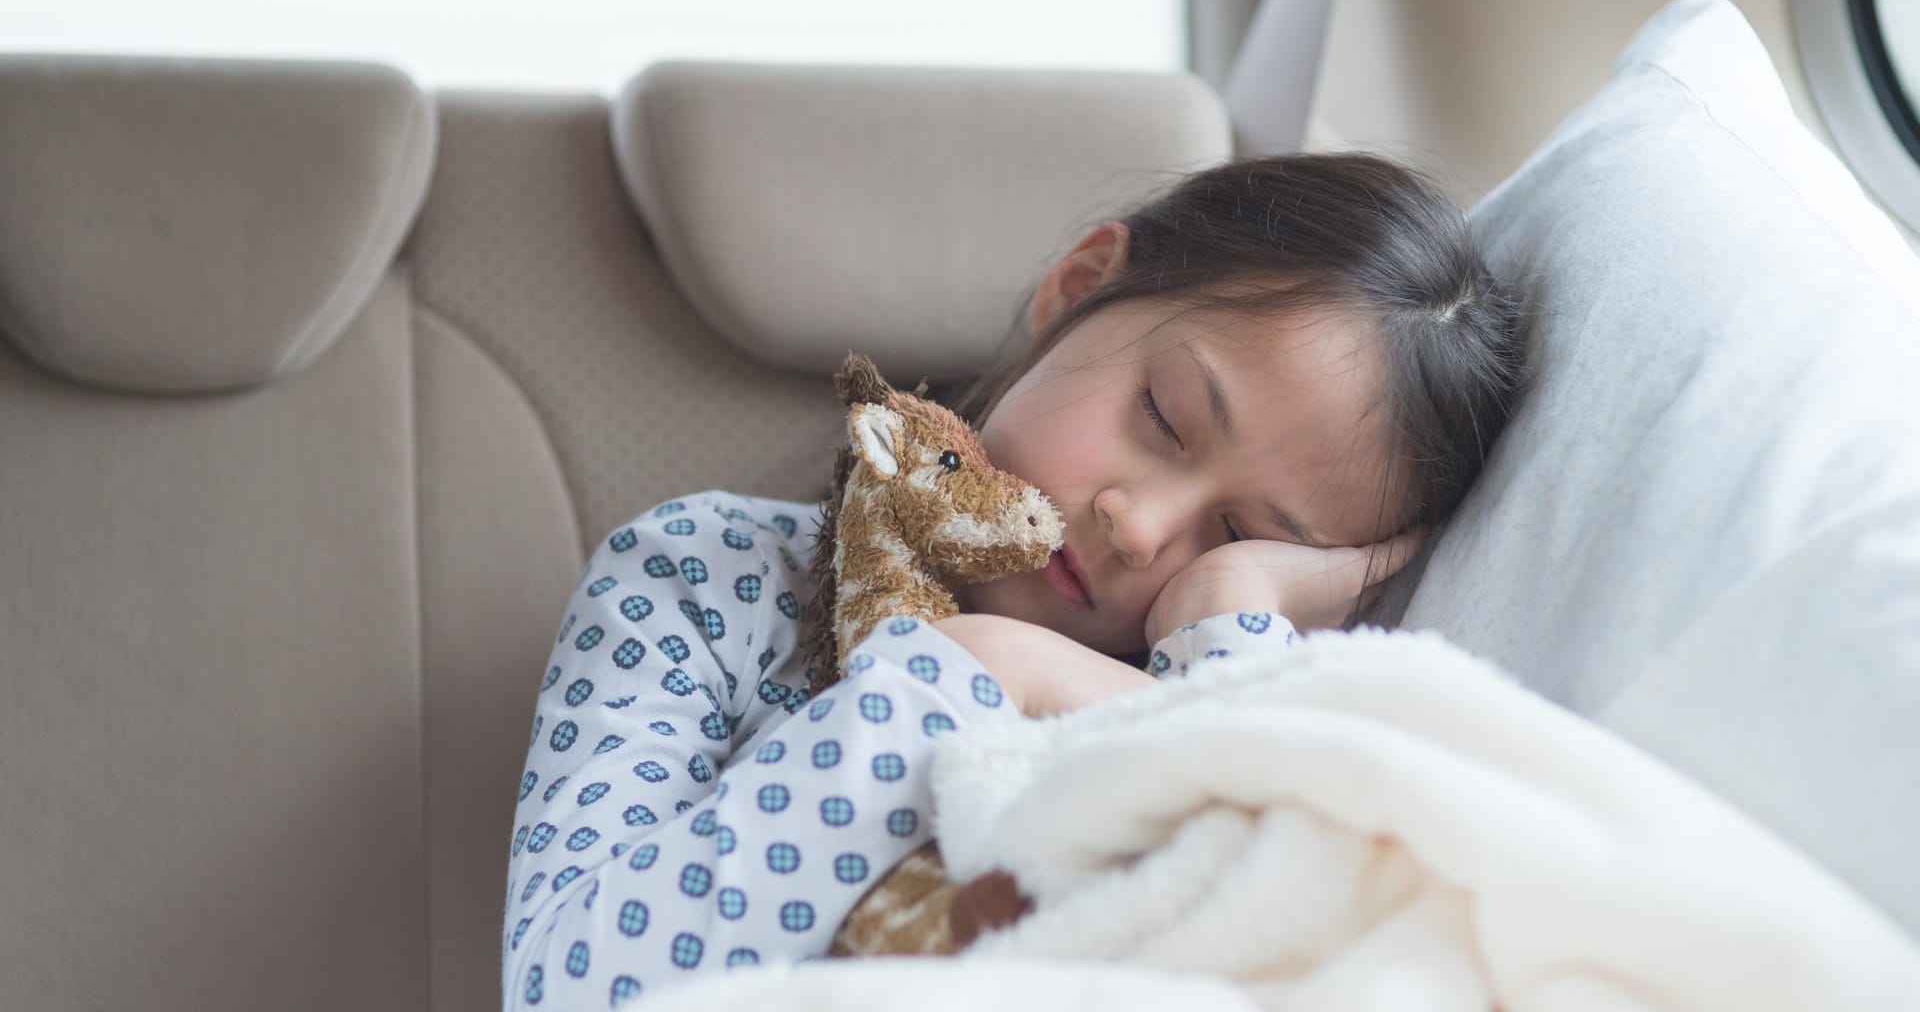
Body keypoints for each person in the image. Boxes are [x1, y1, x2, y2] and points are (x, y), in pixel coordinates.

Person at [501, 153, 1526, 1008]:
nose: (1143, 528)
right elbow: (573, 987)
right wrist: (968, 675)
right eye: (1164, 416)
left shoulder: (1243, 704)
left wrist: (1229, 630)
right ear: (1077, 289)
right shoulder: (708, 578)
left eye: (1236, 532)